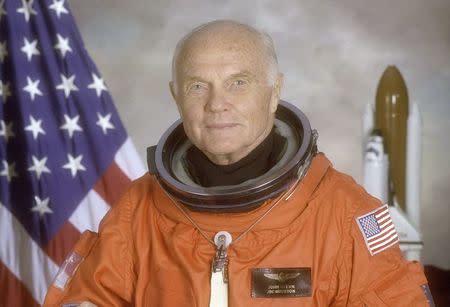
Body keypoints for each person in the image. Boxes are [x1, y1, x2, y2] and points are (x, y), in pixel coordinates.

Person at [44, 20, 433, 306]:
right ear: (176, 95)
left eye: (238, 82)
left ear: (275, 90)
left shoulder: (345, 213)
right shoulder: (138, 212)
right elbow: (88, 296)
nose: (216, 104)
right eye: (198, 86)